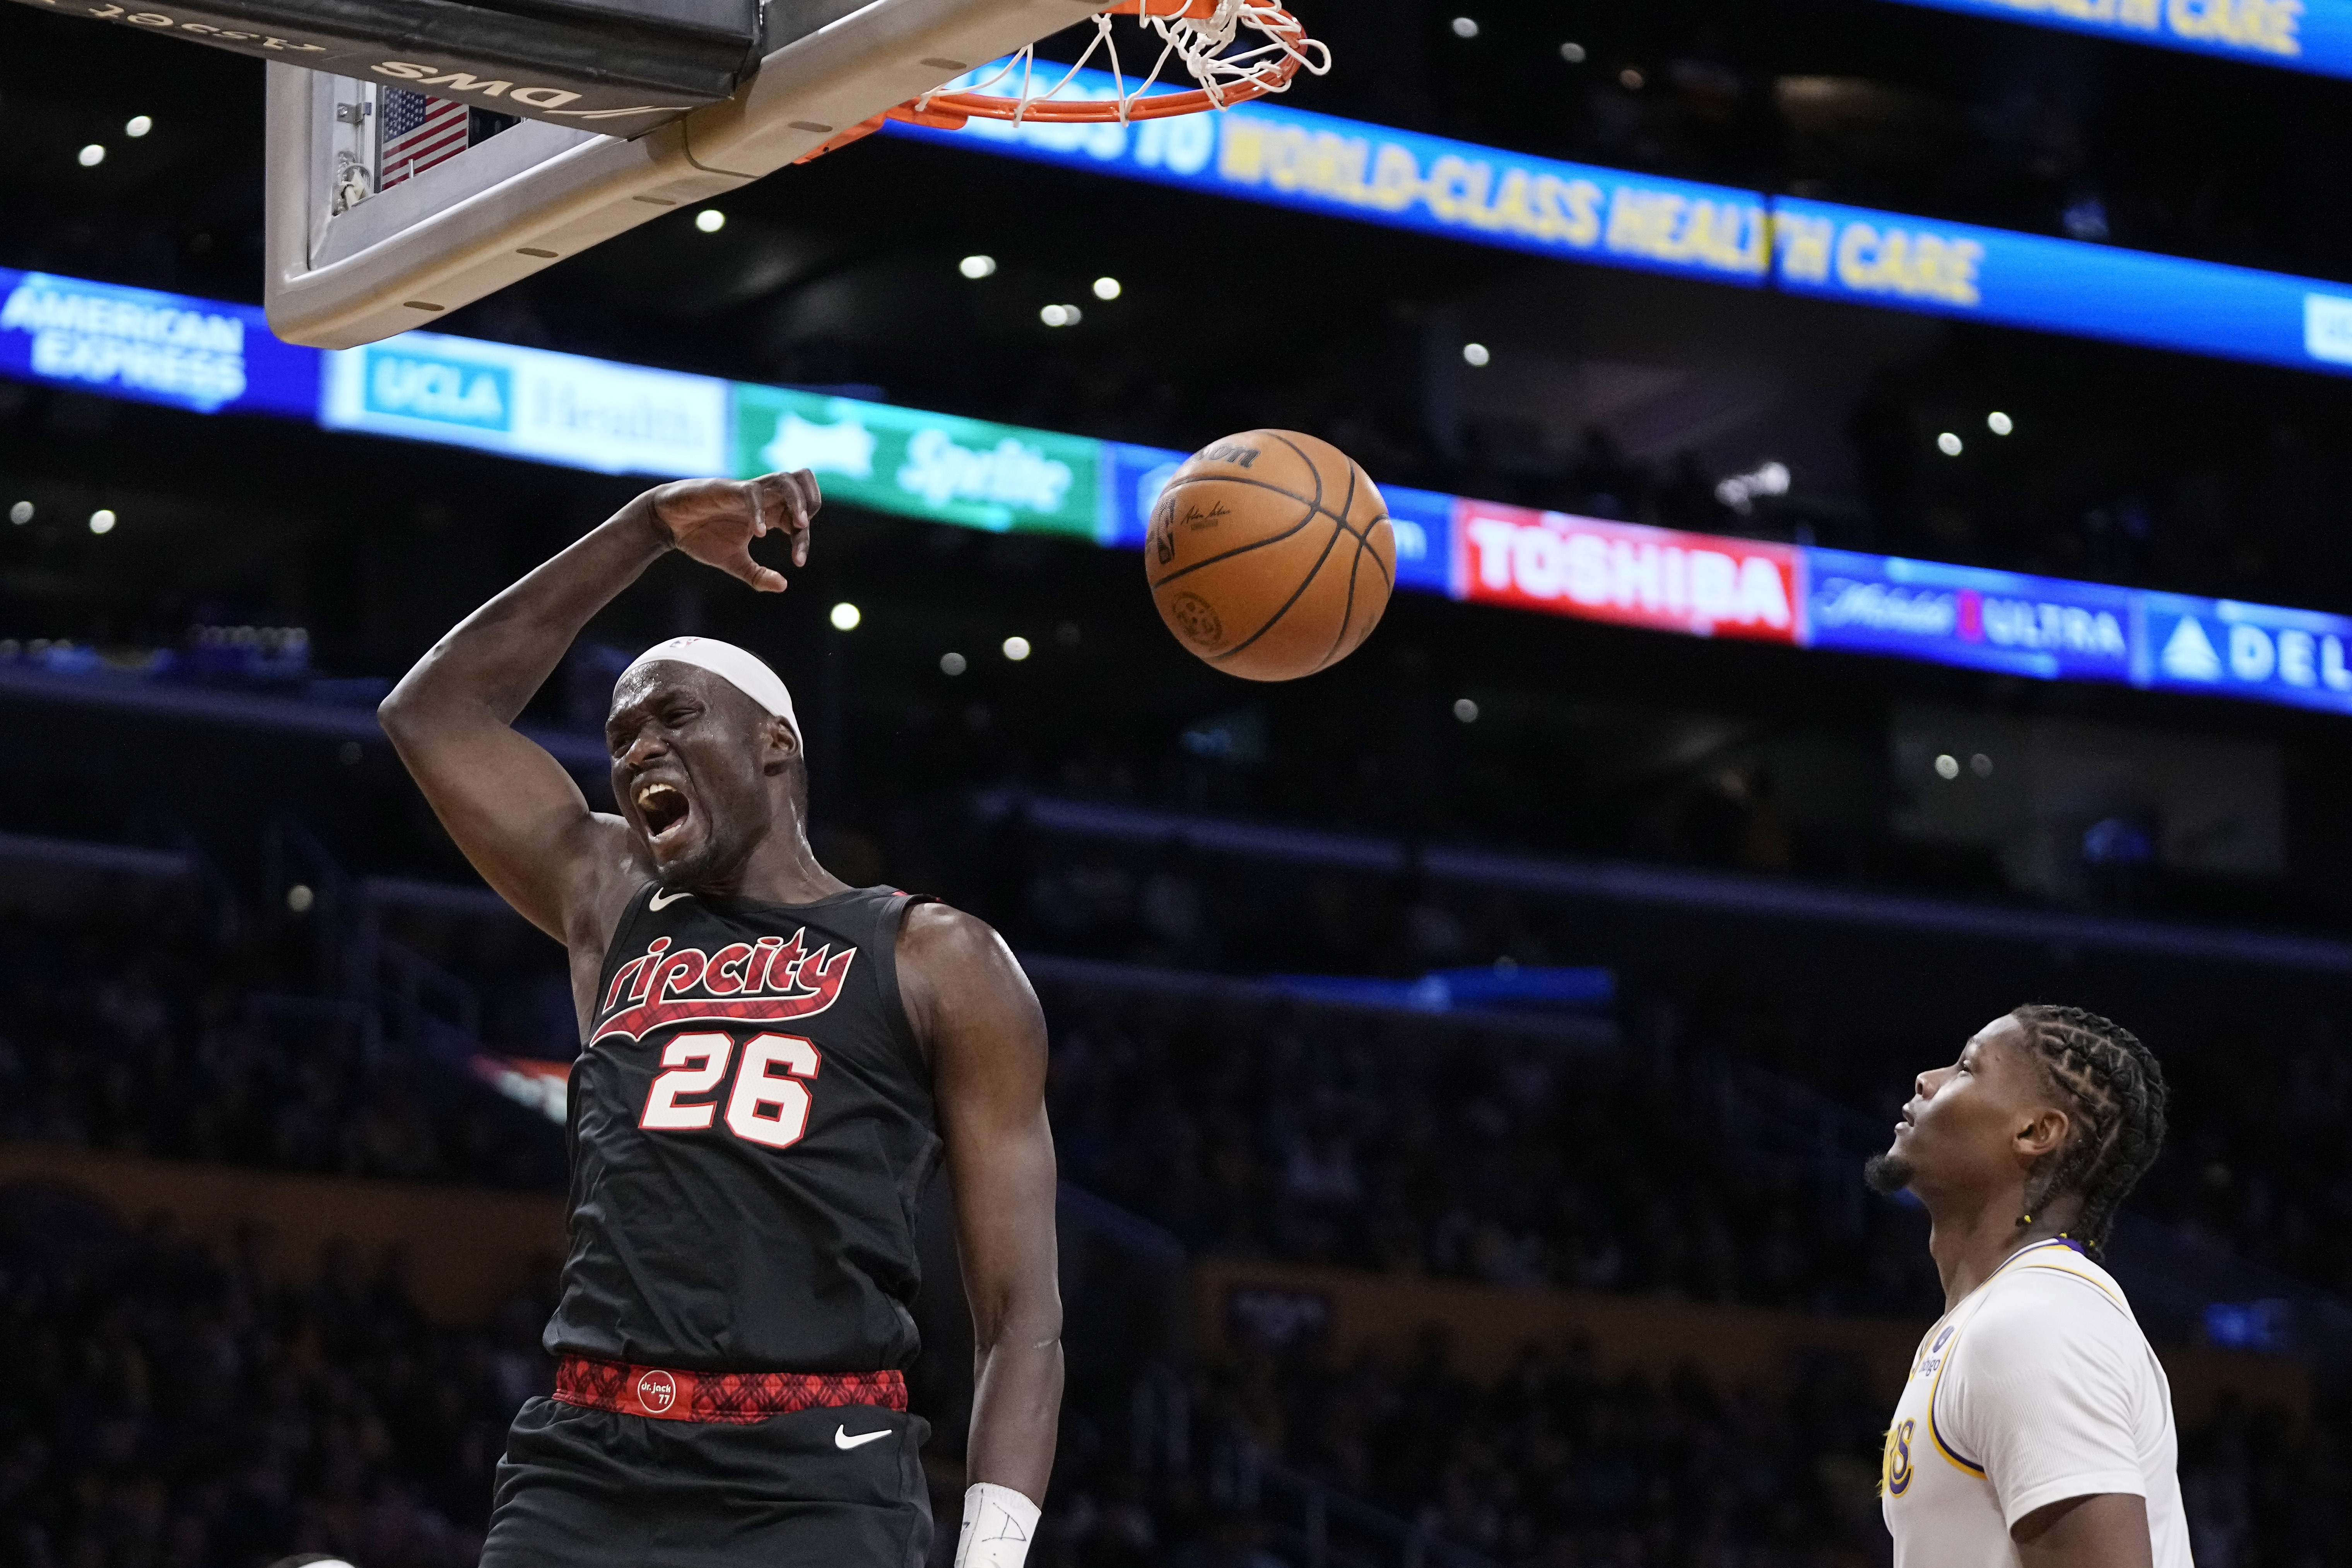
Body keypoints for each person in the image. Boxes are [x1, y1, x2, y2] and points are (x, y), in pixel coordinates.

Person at [378, 472, 1060, 1568]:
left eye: (676, 715)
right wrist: (643, 530)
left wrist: (991, 1555)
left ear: (777, 744)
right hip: (587, 1459)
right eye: (621, 734)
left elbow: (1021, 1313)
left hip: (815, 1473)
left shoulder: (940, 955)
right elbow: (433, 711)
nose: (638, 745)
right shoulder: (610, 896)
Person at [1866, 1005, 2183, 1568]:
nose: (1927, 1080)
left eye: (1966, 1067)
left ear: (2036, 1132)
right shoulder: (1998, 1316)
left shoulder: (2034, 1323)